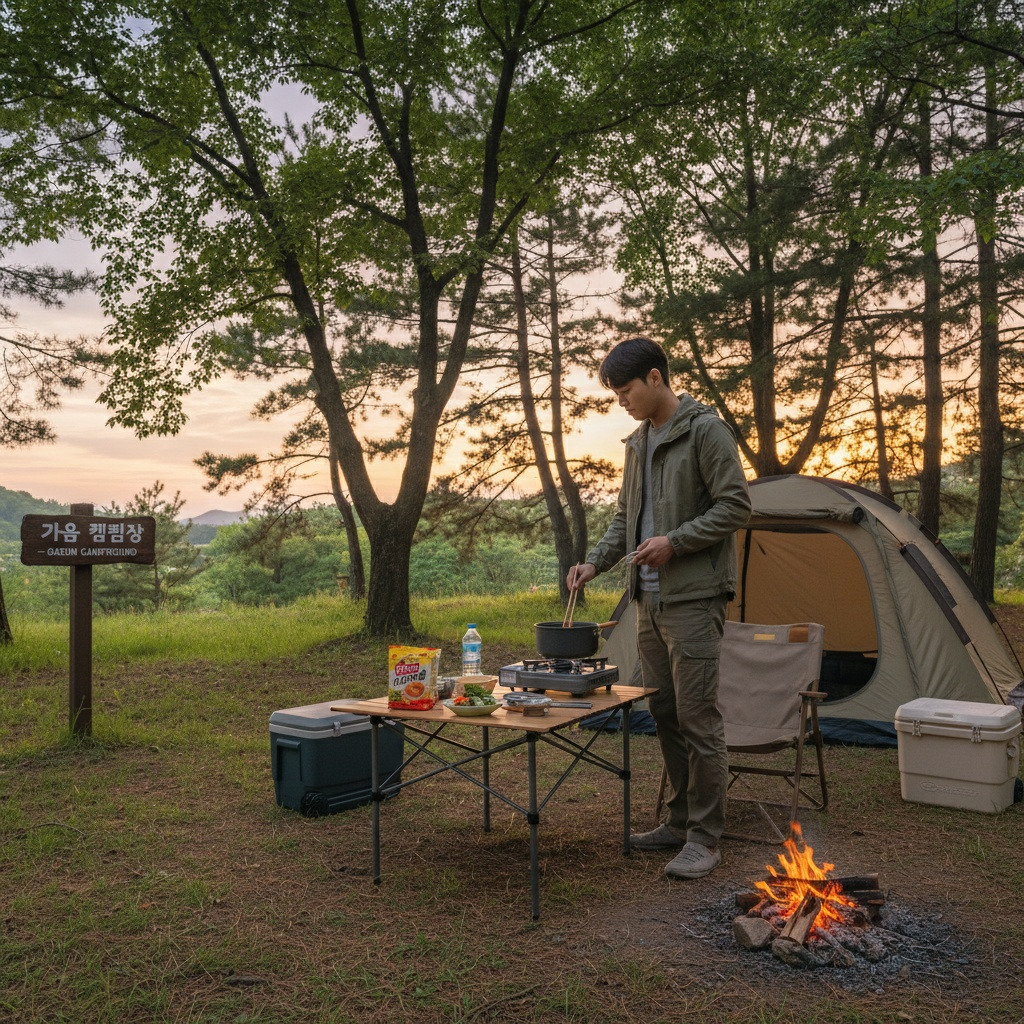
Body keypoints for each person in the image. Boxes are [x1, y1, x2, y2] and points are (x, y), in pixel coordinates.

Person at [567, 336, 750, 880]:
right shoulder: (636, 443)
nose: (621, 400)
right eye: (616, 393)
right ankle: (677, 822)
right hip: (646, 600)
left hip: (693, 599)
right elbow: (626, 517)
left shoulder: (705, 431)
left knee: (698, 718)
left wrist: (677, 541)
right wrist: (595, 563)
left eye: (625, 390)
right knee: (664, 713)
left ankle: (705, 838)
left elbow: (737, 505)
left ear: (654, 377)